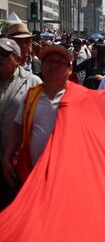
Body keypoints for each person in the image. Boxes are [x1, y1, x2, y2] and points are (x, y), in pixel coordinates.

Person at [2, 45, 72, 191]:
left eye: (60, 62)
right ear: (42, 66)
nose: (53, 65)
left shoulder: (81, 98)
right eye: (48, 61)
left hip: (67, 178)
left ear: (69, 70)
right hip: (32, 177)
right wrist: (7, 156)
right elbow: (17, 127)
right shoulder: (32, 95)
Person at [0, 38, 42, 209]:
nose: (0, 57)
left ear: (17, 59)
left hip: (17, 164)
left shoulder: (34, 83)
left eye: (4, 54)